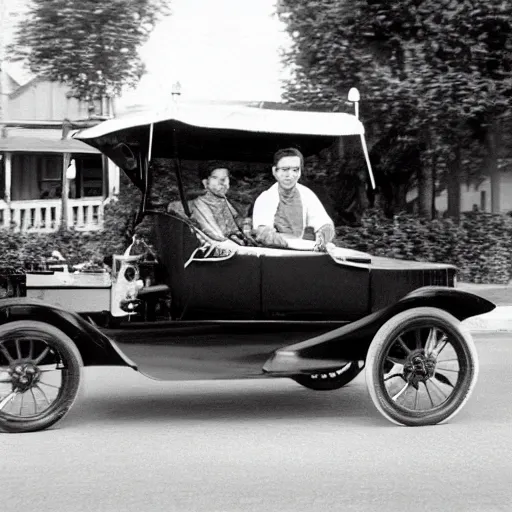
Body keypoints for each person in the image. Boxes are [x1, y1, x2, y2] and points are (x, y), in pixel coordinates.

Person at [252, 148, 335, 251]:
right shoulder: (265, 198)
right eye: (284, 170)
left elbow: (325, 224)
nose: (290, 176)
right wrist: (290, 243)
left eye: (295, 170)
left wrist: (322, 239)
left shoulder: (306, 194)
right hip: (274, 254)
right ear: (274, 171)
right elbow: (263, 233)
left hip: (304, 252)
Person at [188, 163, 246, 244]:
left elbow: (237, 222)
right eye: (215, 178)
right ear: (205, 183)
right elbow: (214, 233)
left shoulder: (226, 201)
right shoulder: (200, 204)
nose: (222, 182)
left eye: (225, 178)